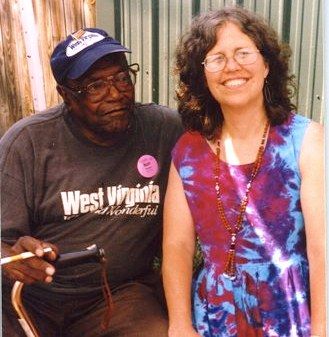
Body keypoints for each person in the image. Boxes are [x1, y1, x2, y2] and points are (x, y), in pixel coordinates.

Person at [1, 27, 182, 337]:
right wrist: (10, 257)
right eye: (95, 85)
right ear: (66, 96)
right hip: (33, 300)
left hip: (120, 296)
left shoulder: (163, 130)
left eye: (122, 78)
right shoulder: (27, 143)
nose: (116, 93)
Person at [162, 7, 325, 337]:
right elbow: (177, 245)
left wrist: (323, 327)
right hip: (214, 314)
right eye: (216, 58)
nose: (231, 67)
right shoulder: (187, 151)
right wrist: (180, 324)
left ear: (266, 65)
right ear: (202, 75)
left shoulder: (307, 141)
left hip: (289, 310)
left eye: (243, 53)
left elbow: (323, 248)